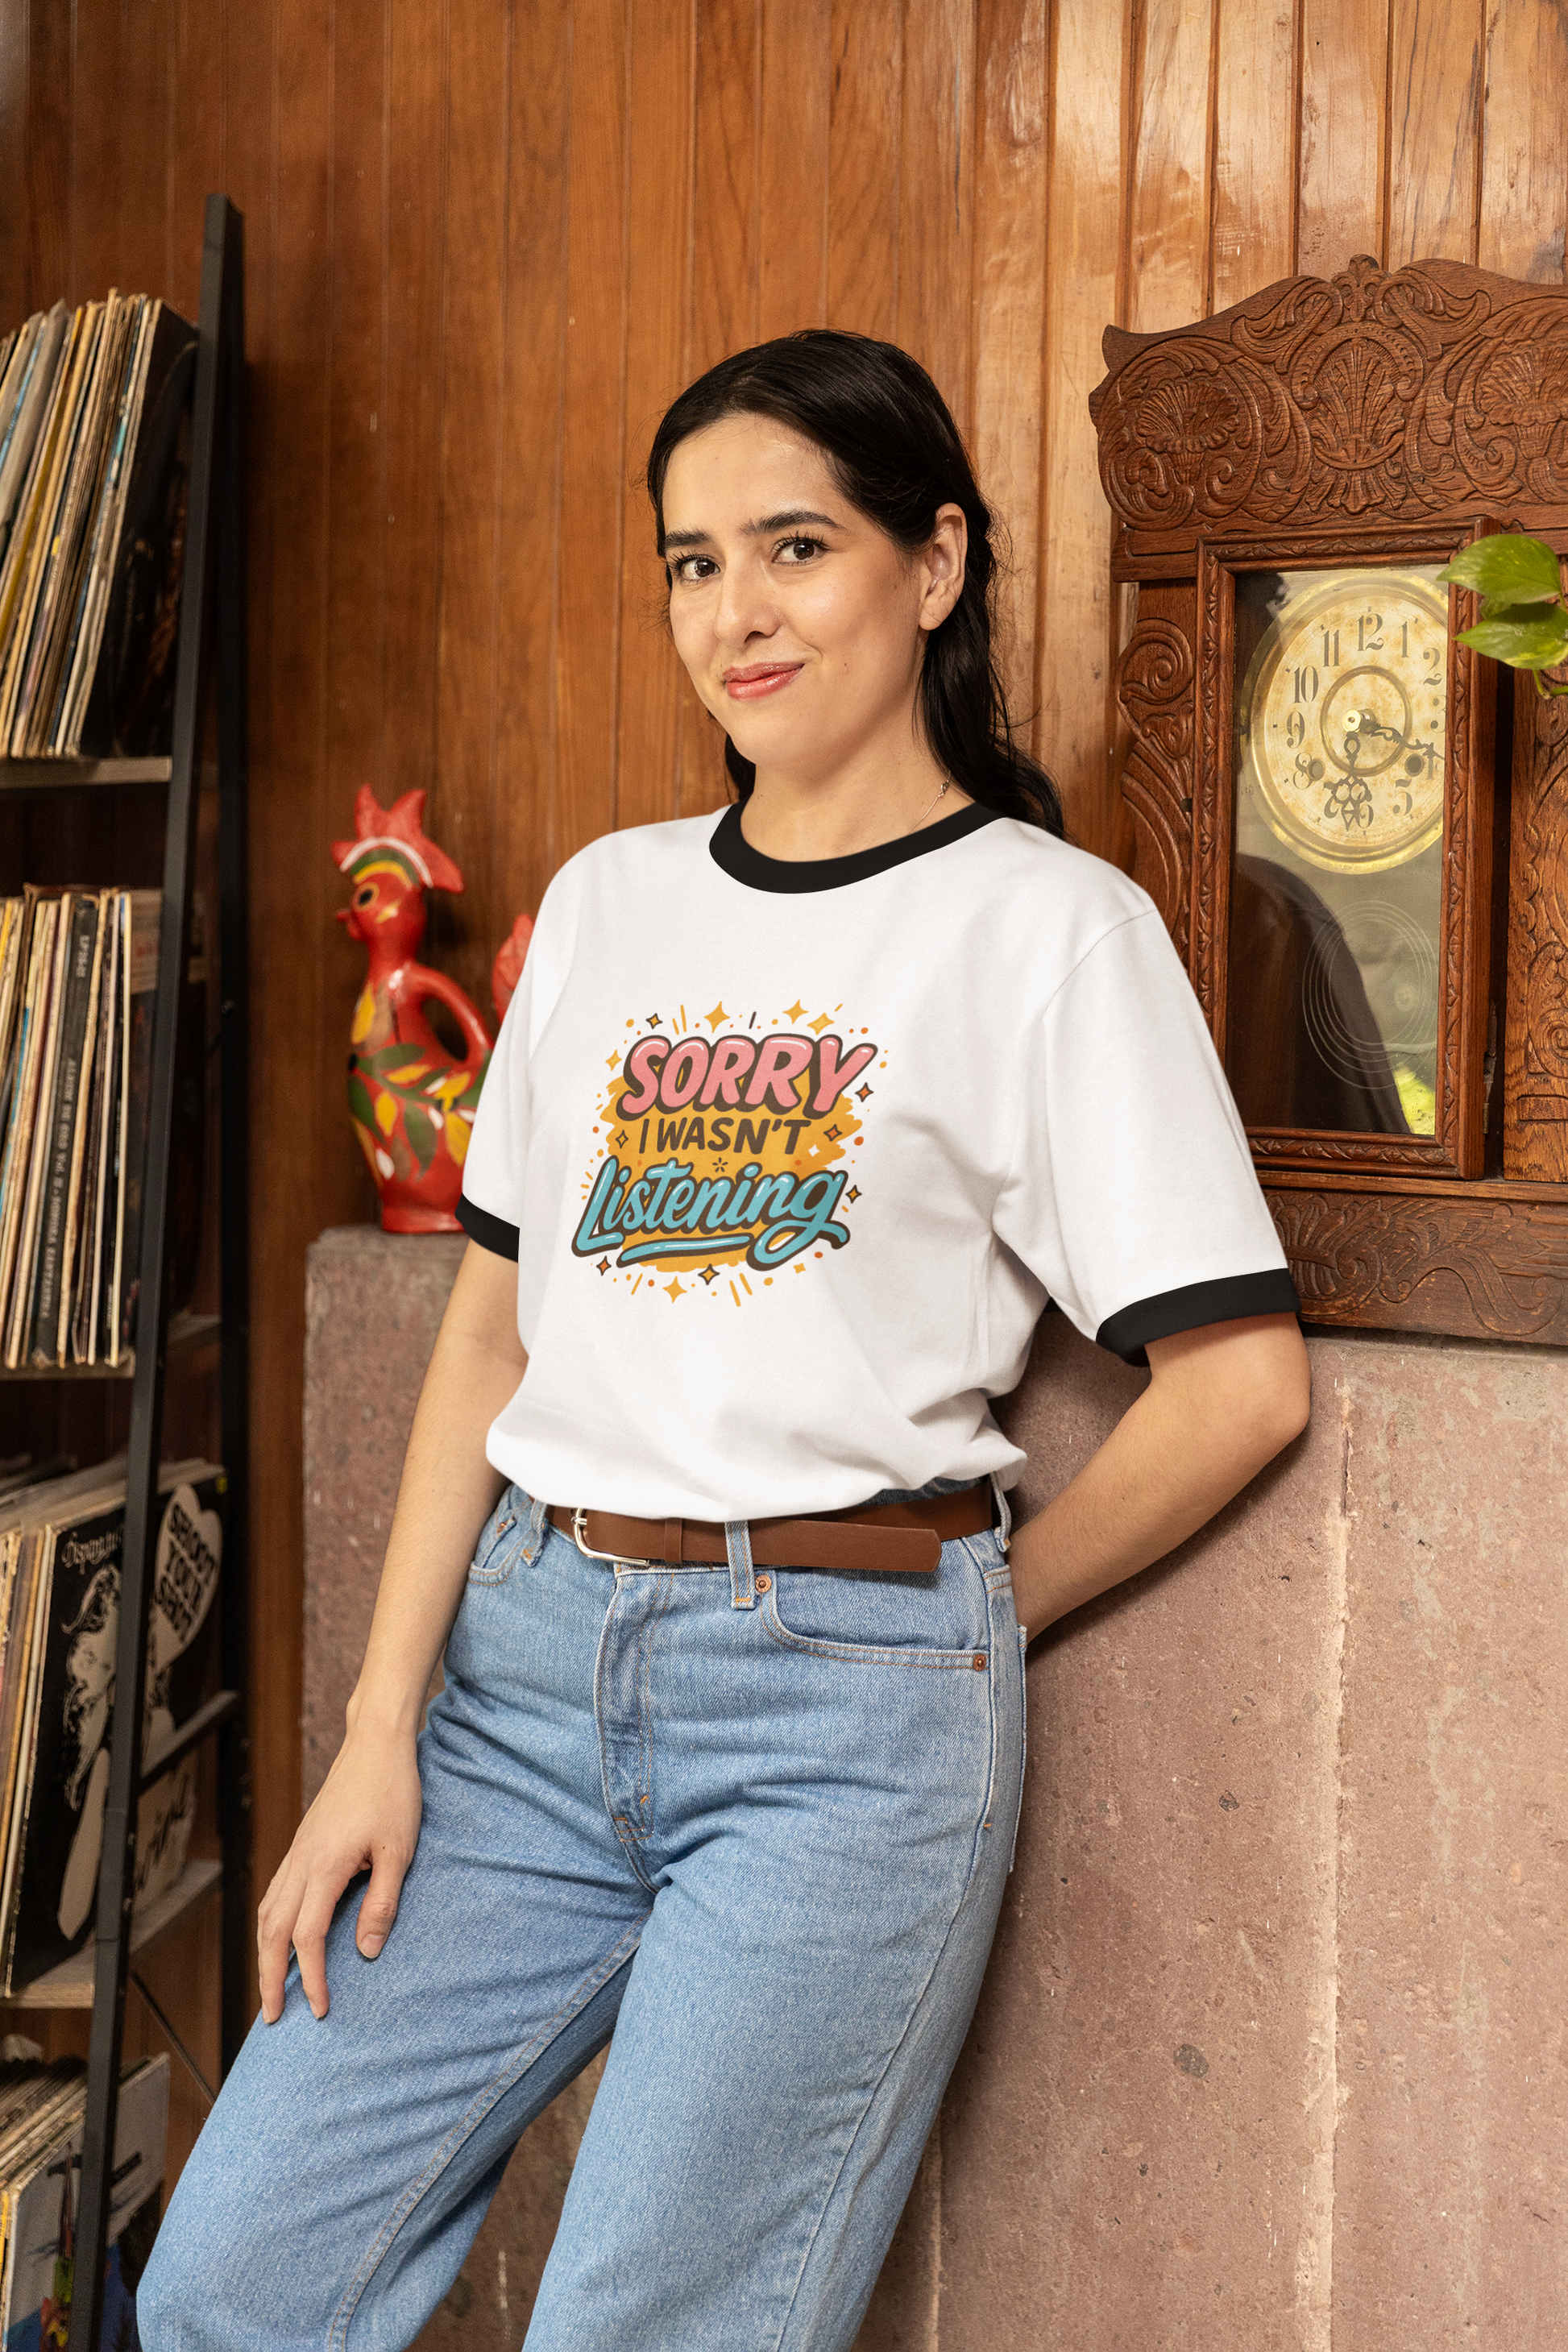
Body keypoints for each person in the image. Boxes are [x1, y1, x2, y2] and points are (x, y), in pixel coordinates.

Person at [139, 330, 1309, 2352]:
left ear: (935, 565)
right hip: (513, 1682)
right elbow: (489, 1336)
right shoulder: (611, 903)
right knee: (236, 2279)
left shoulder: (1050, 932)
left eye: (792, 547)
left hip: (836, 1736)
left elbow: (1239, 1381)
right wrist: (375, 1729)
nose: (732, 613)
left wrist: (962, 1624)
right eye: (691, 563)